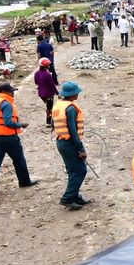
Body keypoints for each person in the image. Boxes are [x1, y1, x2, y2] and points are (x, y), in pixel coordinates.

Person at [0, 83, 37, 195]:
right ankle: (24, 181)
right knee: (19, 160)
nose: (13, 93)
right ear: (4, 92)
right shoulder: (6, 104)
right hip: (9, 137)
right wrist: (20, 124)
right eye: (11, 91)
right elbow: (8, 122)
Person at [53, 82, 90, 210]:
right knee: (80, 170)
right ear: (73, 94)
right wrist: (81, 149)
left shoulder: (59, 105)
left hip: (61, 141)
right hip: (69, 143)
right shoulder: (71, 109)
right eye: (76, 93)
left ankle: (75, 195)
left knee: (72, 171)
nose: (78, 94)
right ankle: (68, 198)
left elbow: (54, 124)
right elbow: (73, 132)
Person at [35, 58, 59, 127]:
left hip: (41, 94)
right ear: (47, 66)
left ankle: (51, 120)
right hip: (48, 94)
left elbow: (36, 82)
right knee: (49, 108)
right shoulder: (48, 74)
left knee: (48, 106)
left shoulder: (37, 73)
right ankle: (48, 122)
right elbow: (52, 85)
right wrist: (57, 93)